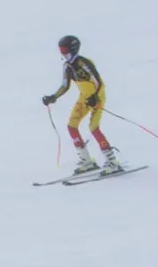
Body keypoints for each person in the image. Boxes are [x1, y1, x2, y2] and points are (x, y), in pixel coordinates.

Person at [42, 35, 122, 175]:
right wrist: (53, 97)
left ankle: (112, 161)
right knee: (72, 126)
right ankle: (86, 160)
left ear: (73, 49)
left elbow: (98, 83)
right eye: (61, 50)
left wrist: (95, 97)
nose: (62, 53)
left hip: (96, 98)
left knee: (93, 128)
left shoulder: (83, 63)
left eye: (65, 49)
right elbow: (65, 86)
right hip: (84, 98)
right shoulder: (67, 66)